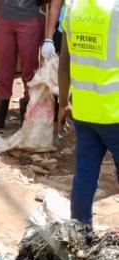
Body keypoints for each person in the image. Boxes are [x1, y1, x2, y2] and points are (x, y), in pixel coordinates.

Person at [58, 0, 119, 227]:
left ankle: (80, 236)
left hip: (84, 112)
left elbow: (64, 63)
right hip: (115, 113)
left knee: (84, 176)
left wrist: (63, 103)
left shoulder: (73, 6)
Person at [0, 0, 46, 133]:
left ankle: (26, 120)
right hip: (5, 19)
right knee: (4, 69)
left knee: (29, 71)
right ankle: (0, 118)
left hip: (29, 19)